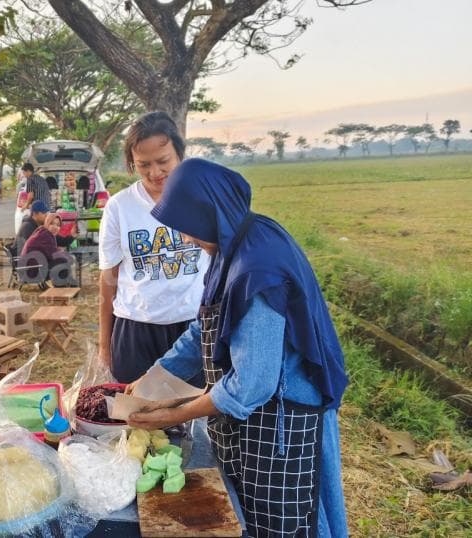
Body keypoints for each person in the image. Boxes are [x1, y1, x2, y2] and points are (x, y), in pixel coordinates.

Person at [127, 158, 349, 537]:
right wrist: (153, 379)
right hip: (256, 415)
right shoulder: (234, 241)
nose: (185, 239)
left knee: (280, 523)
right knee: (247, 511)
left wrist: (173, 414)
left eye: (187, 229)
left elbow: (253, 384)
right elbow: (205, 329)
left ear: (206, 213)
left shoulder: (257, 270)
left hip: (283, 420)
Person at [98, 111, 210, 384]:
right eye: (143, 164)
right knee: (135, 415)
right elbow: (108, 278)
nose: (155, 172)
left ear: (180, 154)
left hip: (193, 326)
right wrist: (104, 344)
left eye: (163, 161)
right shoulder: (120, 207)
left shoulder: (202, 199)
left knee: (190, 413)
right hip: (135, 329)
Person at [20, 214, 78, 287]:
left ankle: (66, 285)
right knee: (62, 261)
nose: (55, 227)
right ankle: (62, 287)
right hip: (31, 271)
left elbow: (55, 250)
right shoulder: (45, 235)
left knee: (62, 261)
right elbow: (54, 255)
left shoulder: (44, 232)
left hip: (32, 268)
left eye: (58, 225)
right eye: (52, 224)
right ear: (47, 223)